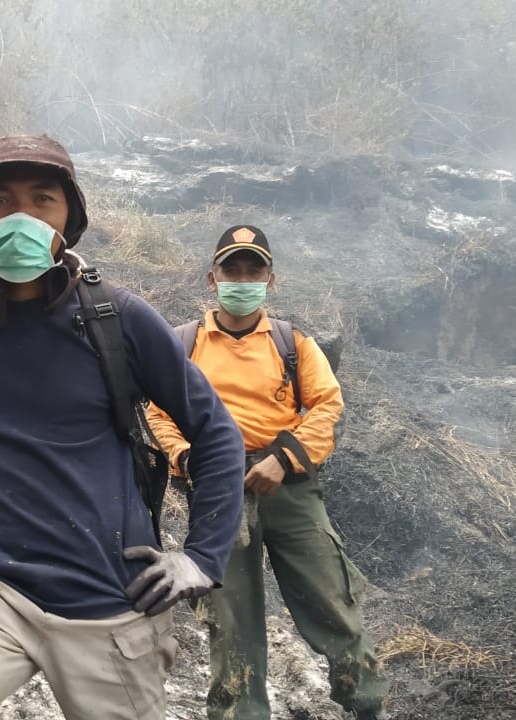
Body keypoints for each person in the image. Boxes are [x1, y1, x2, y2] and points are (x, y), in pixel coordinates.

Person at [0, 134, 245, 720]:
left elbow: (215, 432)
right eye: (0, 201)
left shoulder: (117, 319)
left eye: (42, 200)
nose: (20, 216)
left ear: (68, 221)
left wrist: (201, 557)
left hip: (109, 600)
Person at [146, 225, 389, 720]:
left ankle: (367, 705)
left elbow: (327, 406)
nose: (242, 280)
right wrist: (188, 459)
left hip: (289, 488)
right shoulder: (183, 343)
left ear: (270, 280)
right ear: (212, 278)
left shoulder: (292, 343)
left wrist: (284, 457)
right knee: (231, 621)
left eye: (252, 271)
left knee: (332, 602)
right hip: (217, 494)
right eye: (231, 270)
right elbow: (158, 412)